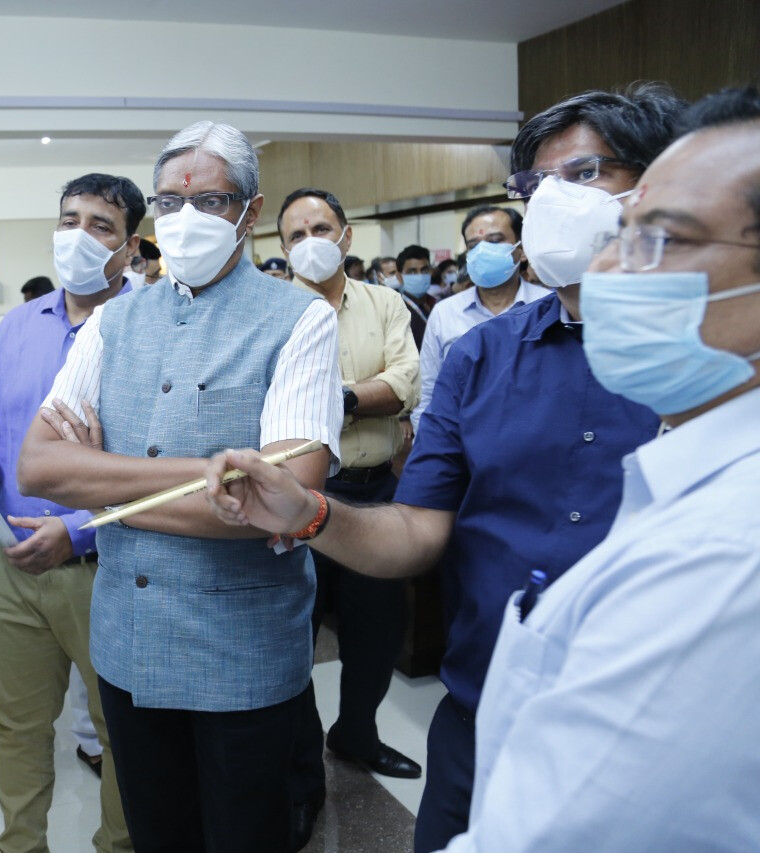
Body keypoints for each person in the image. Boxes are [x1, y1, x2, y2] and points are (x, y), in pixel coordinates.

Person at [205, 83, 760, 853]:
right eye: (536, 186)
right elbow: (418, 527)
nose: (560, 203)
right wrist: (308, 512)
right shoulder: (479, 354)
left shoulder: (702, 382)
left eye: (589, 175)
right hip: (484, 701)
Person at [18, 121, 341, 851]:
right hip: (128, 648)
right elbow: (38, 466)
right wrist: (206, 477)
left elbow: (279, 504)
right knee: (159, 837)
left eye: (211, 201)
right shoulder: (114, 321)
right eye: (168, 203)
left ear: (251, 213)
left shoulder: (301, 321)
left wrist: (101, 487)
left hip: (243, 656)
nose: (185, 220)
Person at [0, 173, 143, 853]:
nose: (79, 235)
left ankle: (117, 845)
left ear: (129, 248)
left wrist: (79, 529)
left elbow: (161, 465)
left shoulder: (146, 332)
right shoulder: (17, 325)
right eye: (70, 219)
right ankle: (20, 845)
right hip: (11, 563)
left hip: (106, 567)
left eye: (100, 225)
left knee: (122, 728)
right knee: (18, 725)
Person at [277, 187, 421, 846]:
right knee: (292, 645)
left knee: (374, 633)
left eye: (321, 225)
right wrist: (364, 397)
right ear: (280, 247)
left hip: (368, 495)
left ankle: (357, 735)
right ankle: (301, 773)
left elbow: (404, 386)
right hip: (293, 497)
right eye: (296, 231)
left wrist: (330, 396)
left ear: (346, 233)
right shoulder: (267, 311)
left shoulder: (385, 303)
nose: (310, 237)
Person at [411, 207, 551, 430]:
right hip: (464, 446)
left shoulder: (548, 307)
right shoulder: (445, 312)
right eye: (474, 246)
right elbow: (428, 393)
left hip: (540, 440)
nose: (483, 251)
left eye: (495, 241)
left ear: (522, 250)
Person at [395, 245, 431, 347]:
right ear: (399, 277)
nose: (420, 276)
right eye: (412, 271)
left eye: (424, 270)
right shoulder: (398, 310)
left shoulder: (437, 304)